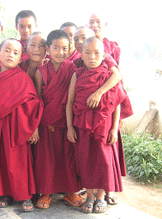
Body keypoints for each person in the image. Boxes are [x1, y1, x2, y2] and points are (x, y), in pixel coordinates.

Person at [66, 37, 132, 213]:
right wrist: (70, 127)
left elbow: (116, 102)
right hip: (82, 124)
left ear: (104, 55)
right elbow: (69, 102)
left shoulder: (108, 76)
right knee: (85, 159)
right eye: (87, 52)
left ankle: (101, 196)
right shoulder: (77, 74)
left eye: (96, 53)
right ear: (81, 54)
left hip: (104, 125)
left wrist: (114, 128)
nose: (92, 56)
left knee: (104, 160)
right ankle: (89, 195)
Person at [0, 38, 43, 212]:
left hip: (19, 128)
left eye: (16, 53)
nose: (11, 55)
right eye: (7, 50)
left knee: (19, 163)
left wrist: (34, 129)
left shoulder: (23, 78)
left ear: (20, 58)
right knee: (0, 161)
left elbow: (33, 105)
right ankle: (2, 193)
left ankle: (24, 195)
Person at [34, 30, 82, 209]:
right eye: (56, 48)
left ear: (70, 49)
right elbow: (38, 100)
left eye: (64, 48)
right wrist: (36, 126)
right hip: (46, 124)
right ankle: (45, 193)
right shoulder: (40, 71)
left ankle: (70, 192)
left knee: (67, 159)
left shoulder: (72, 69)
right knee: (46, 160)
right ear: (48, 48)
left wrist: (71, 125)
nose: (60, 52)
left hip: (66, 122)